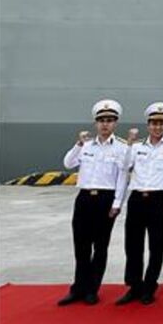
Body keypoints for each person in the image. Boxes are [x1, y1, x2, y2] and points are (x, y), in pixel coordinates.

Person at [58, 99, 131, 306]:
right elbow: (68, 163)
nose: (105, 124)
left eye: (109, 120)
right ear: (95, 123)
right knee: (81, 246)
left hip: (105, 200)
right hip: (83, 199)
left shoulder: (122, 148)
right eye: (101, 120)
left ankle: (92, 289)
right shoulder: (86, 145)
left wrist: (117, 204)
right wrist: (78, 144)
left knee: (100, 247)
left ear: (115, 123)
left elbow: (122, 178)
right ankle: (77, 289)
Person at [117, 102, 163, 305]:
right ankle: (134, 287)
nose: (158, 127)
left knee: (156, 246)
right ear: (148, 125)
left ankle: (149, 286)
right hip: (137, 199)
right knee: (133, 245)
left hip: (159, 200)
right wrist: (129, 144)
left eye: (162, 124)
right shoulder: (137, 146)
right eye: (154, 123)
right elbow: (124, 166)